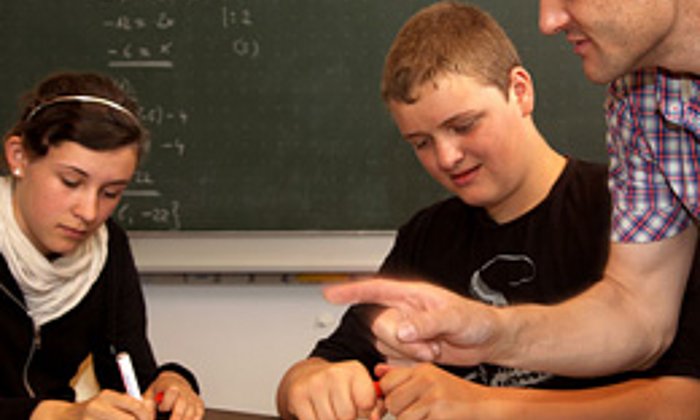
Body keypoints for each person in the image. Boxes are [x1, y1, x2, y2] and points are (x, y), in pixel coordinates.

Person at [276, 3, 700, 419]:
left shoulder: (616, 208)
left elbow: (683, 400)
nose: (446, 157)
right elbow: (641, 319)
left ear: (520, 91)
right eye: (421, 143)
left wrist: (486, 405)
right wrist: (309, 383)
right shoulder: (428, 237)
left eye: (464, 126)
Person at [0, 72, 205, 419]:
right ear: (19, 156)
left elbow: (129, 377)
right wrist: (61, 415)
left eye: (111, 193)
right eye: (71, 182)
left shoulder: (107, 248)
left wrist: (170, 383)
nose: (89, 212)